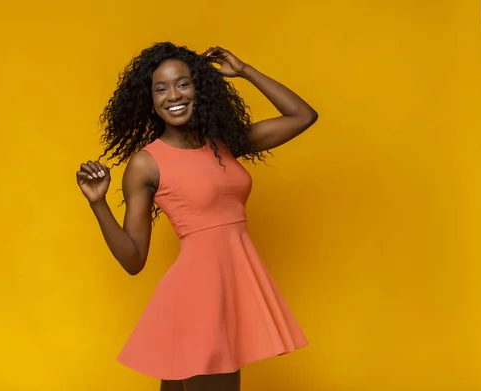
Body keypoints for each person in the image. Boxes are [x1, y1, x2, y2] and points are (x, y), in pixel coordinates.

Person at [76, 42, 318, 391]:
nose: (173, 95)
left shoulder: (224, 144)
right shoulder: (146, 163)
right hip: (197, 300)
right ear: (150, 100)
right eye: (160, 88)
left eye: (183, 83)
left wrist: (245, 71)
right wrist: (98, 203)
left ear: (199, 88)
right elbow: (133, 259)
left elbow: (302, 116)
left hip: (230, 290)